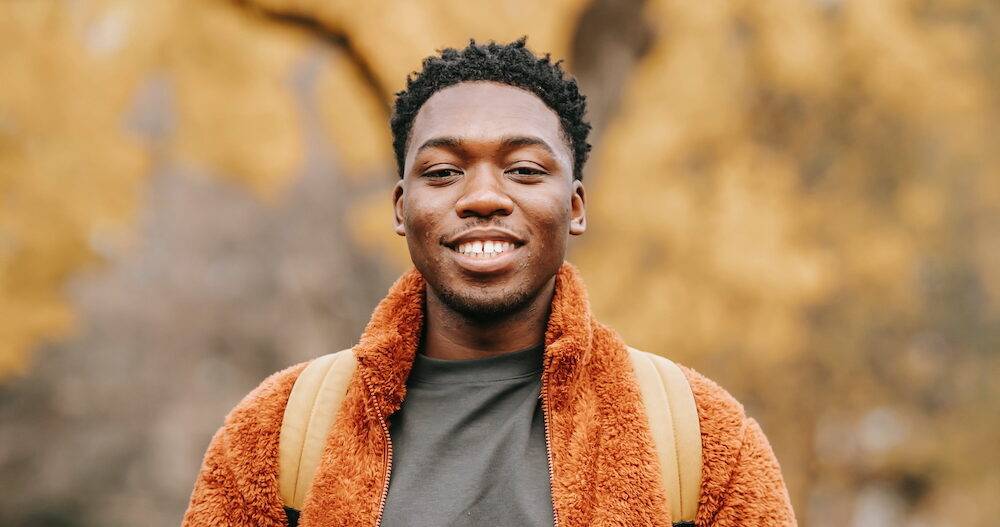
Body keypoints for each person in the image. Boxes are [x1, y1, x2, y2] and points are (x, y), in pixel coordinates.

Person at [181, 37, 796, 527]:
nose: (482, 197)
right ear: (400, 207)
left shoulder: (703, 439)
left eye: (524, 169)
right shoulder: (276, 434)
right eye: (444, 171)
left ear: (575, 206)